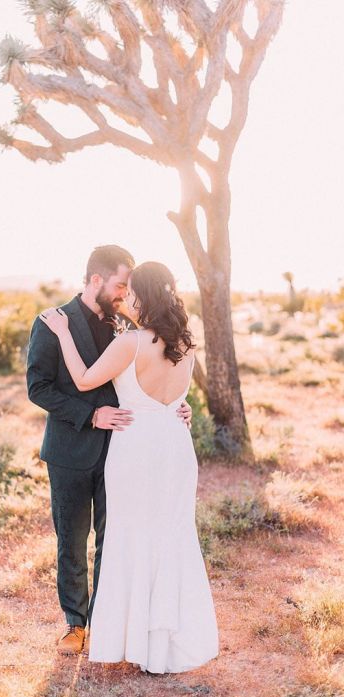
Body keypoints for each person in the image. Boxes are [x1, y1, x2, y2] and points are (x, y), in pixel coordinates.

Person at [39, 260, 219, 674]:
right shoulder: (186, 344)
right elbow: (172, 399)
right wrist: (181, 407)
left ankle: (132, 640)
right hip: (174, 447)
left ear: (145, 296)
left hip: (136, 448)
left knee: (130, 539)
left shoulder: (132, 342)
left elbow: (84, 380)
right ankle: (166, 644)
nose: (126, 296)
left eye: (132, 290)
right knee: (170, 538)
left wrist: (65, 333)